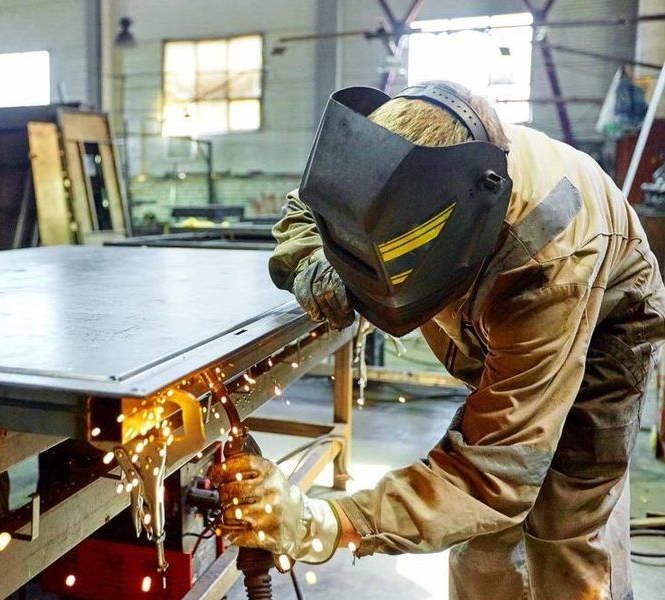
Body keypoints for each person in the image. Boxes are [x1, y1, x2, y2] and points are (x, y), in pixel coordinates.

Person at [209, 80, 665, 599]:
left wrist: (327, 522)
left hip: (608, 322)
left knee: (564, 520)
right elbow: (306, 207)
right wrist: (315, 257)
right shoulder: (387, 157)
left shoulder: (547, 266)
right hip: (500, 307)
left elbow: (495, 473)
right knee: (482, 537)